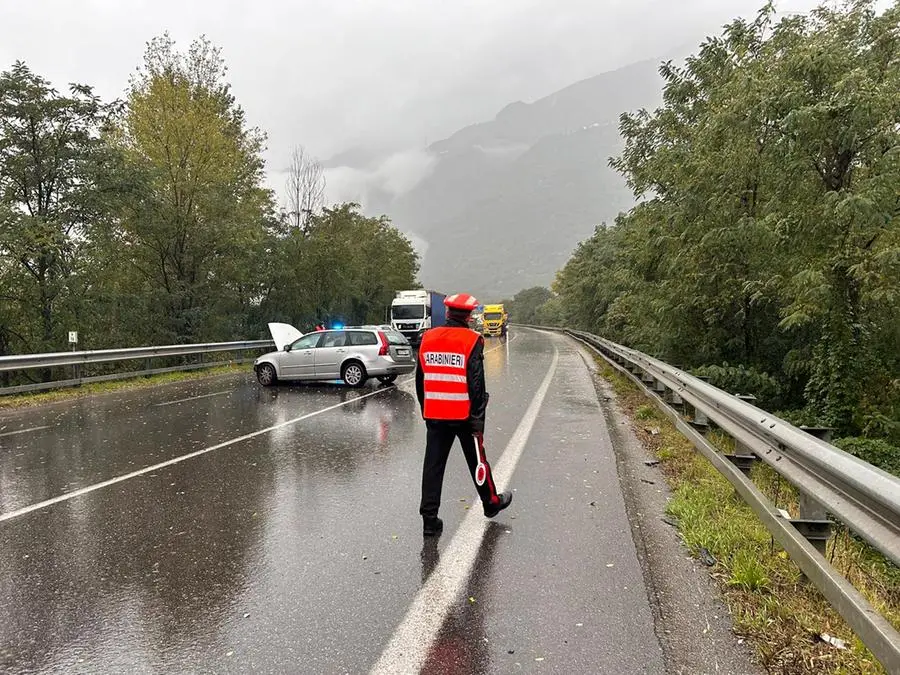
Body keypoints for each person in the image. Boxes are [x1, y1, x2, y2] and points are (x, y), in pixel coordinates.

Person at [415, 293, 512, 537]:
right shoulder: (471, 340)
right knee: (477, 461)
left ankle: (429, 520)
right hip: (464, 415)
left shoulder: (428, 338)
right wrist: (478, 420)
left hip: (435, 414)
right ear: (469, 317)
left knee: (433, 467)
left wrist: (426, 410)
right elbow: (476, 383)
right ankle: (491, 503)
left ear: (447, 314)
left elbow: (420, 380)